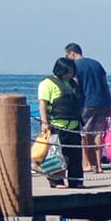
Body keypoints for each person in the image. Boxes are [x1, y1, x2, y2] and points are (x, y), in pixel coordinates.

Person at [38, 55, 85, 186]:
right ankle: (56, 180)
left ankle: (76, 180)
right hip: (57, 125)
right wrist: (44, 122)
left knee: (75, 155)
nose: (70, 74)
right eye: (67, 71)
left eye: (71, 71)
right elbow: (43, 103)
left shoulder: (72, 83)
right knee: (56, 154)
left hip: (74, 125)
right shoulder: (47, 83)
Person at [66, 43, 110, 177]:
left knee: (83, 134)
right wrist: (109, 104)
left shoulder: (76, 66)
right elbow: (105, 84)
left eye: (67, 55)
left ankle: (85, 164)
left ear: (72, 53)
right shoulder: (97, 64)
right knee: (97, 134)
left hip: (85, 103)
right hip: (101, 102)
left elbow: (76, 86)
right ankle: (98, 165)